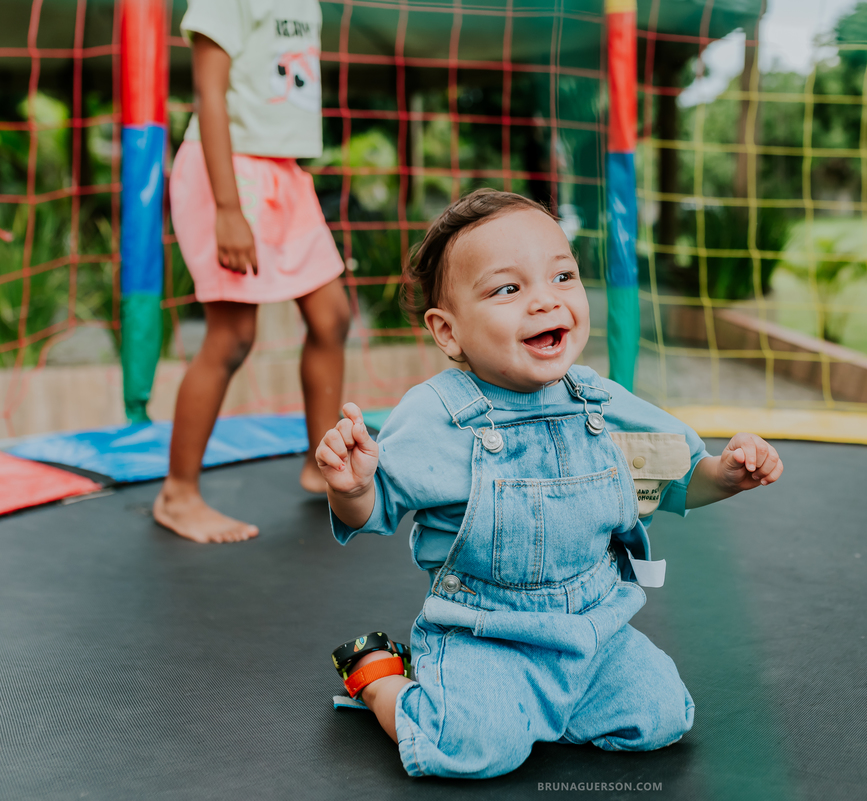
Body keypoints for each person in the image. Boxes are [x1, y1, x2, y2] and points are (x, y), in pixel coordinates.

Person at [316, 189, 784, 778]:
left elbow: (677, 480)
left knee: (662, 716)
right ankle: (382, 677)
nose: (545, 300)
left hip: (595, 633)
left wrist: (726, 475)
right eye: (507, 289)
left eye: (563, 276)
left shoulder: (599, 402)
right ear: (448, 331)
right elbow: (373, 508)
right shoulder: (438, 414)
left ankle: (533, 704)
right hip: (486, 636)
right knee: (469, 748)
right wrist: (352, 488)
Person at [154, 0, 350, 544]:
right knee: (233, 335)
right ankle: (178, 493)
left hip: (282, 173)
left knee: (332, 317)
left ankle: (322, 465)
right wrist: (227, 207)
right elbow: (209, 93)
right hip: (229, 172)